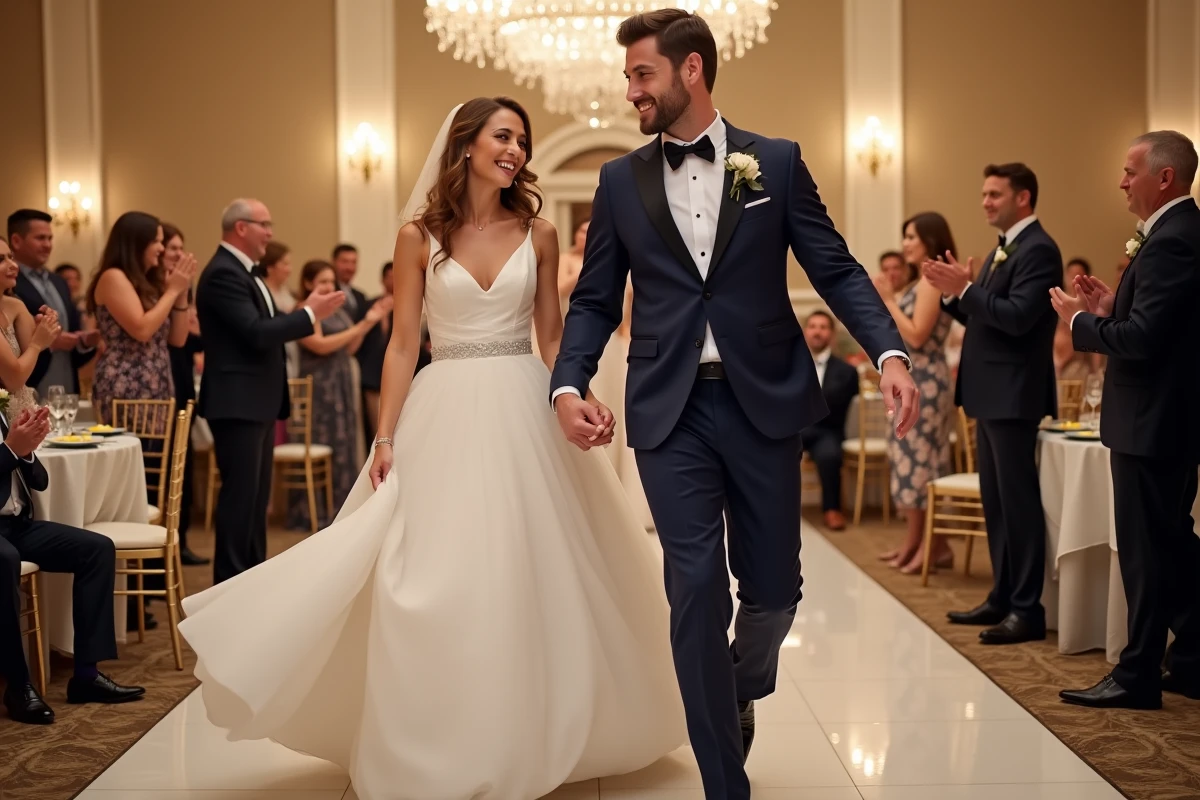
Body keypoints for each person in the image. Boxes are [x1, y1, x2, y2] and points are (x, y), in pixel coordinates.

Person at [179, 97, 686, 800]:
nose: (515, 149)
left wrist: (572, 396)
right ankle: (439, 732)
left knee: (533, 563)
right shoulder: (419, 236)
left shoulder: (539, 233)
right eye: (502, 136)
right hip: (442, 404)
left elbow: (549, 337)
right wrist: (386, 434)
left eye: (521, 140)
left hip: (523, 404)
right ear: (466, 144)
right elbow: (403, 345)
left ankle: (542, 725)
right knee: (433, 569)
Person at [550, 12, 915, 799]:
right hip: (667, 409)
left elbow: (838, 268)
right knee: (694, 588)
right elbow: (591, 300)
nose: (629, 91)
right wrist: (567, 382)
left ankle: (740, 683)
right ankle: (725, 782)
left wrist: (888, 352)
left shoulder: (774, 163)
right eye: (627, 78)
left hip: (764, 403)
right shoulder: (619, 182)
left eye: (641, 75)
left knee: (774, 591)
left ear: (690, 70)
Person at [1056, 130, 1200, 709]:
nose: (1120, 181)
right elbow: (1157, 325)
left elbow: (1142, 343)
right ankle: (1191, 659)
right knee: (1169, 544)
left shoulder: (1173, 240)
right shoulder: (1172, 234)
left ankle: (1137, 674)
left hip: (1153, 421)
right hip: (1158, 419)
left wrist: (1077, 324)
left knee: (1149, 552)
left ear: (1164, 177)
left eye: (1129, 170)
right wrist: (1110, 308)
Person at [925, 162, 1060, 646]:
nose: (985, 201)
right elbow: (986, 316)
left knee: (1018, 504)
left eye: (994, 194)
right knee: (997, 503)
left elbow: (1020, 317)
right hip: (990, 393)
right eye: (983, 194)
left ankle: (1027, 608)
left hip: (1014, 393)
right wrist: (954, 296)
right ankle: (1002, 595)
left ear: (1023, 198)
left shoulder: (1039, 249)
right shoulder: (1007, 249)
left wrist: (966, 290)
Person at [194, 199, 344, 585]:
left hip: (254, 402)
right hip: (237, 403)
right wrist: (311, 316)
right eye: (265, 224)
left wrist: (304, 310)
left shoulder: (247, 273)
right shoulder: (223, 274)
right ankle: (229, 587)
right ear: (241, 228)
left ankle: (252, 581)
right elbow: (256, 334)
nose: (271, 233)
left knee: (255, 501)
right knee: (240, 501)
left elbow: (270, 324)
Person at [1, 406, 145, 725]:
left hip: (17, 526)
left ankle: (86, 675)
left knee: (97, 549)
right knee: (5, 560)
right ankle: (18, 685)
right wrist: (11, 449)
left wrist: (25, 452)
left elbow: (39, 480)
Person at [874, 213, 956, 574]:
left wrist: (888, 299)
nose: (905, 243)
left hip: (926, 379)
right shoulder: (917, 281)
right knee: (909, 461)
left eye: (911, 237)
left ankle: (932, 544)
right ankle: (919, 541)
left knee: (923, 463)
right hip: (913, 377)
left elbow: (918, 334)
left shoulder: (931, 279)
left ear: (929, 239)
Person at [287, 259, 391, 529]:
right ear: (308, 283)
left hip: (341, 384)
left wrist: (369, 323)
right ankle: (314, 511)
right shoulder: (305, 310)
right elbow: (320, 345)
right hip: (320, 387)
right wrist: (362, 325)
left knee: (345, 444)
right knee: (325, 441)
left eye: (331, 282)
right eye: (322, 281)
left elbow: (349, 347)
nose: (328, 286)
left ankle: (340, 508)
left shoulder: (337, 310)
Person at [87, 212, 194, 425]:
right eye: (156, 241)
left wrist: (181, 294)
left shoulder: (147, 282)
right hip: (125, 385)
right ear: (136, 243)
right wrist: (172, 291)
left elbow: (178, 340)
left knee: (152, 456)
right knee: (132, 455)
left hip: (156, 382)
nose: (162, 248)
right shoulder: (113, 277)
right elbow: (142, 330)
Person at [8, 210, 100, 396]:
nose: (48, 245)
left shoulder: (58, 282)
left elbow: (71, 329)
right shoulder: (9, 283)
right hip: (30, 380)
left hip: (66, 380)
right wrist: (47, 342)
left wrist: (83, 341)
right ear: (16, 241)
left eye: (50, 238)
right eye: (40, 238)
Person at [799, 310, 859, 531]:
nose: (817, 332)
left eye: (823, 327)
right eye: (813, 326)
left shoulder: (847, 371)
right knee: (773, 450)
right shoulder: (790, 365)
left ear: (831, 335)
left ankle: (832, 509)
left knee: (830, 455)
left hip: (827, 429)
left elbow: (838, 404)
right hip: (796, 428)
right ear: (805, 332)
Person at [0, 237, 61, 417]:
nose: (13, 265)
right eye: (0, 259)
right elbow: (13, 379)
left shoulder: (16, 306)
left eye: (11, 257)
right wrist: (37, 343)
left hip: (21, 411)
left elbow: (30, 366)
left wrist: (46, 328)